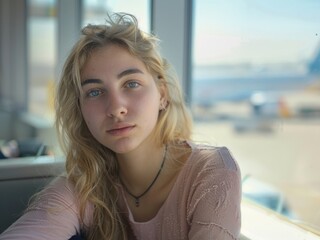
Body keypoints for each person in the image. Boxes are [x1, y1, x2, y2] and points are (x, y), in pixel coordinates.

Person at [0, 13, 241, 240]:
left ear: (162, 94)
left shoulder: (212, 171)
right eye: (94, 92)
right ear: (80, 109)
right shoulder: (84, 185)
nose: (116, 108)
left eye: (131, 84)